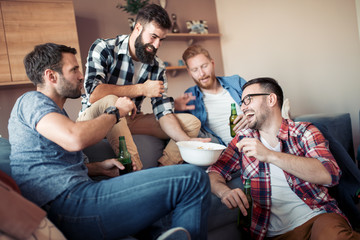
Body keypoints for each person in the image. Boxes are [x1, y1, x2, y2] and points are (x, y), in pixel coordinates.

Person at [8, 43, 211, 240]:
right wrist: (116, 112)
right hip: (70, 203)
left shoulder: (54, 113)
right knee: (193, 179)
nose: (81, 76)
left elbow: (48, 165)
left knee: (163, 214)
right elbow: (75, 138)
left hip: (72, 201)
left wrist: (96, 167)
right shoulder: (32, 101)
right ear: (51, 76)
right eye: (74, 70)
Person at [207, 77, 360, 239]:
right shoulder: (242, 140)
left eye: (248, 100)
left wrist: (270, 155)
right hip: (271, 234)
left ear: (271, 99)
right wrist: (223, 192)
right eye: (242, 102)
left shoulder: (304, 132)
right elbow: (214, 172)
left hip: (317, 218)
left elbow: (329, 175)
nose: (243, 107)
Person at [78, 4, 208, 167]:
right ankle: (136, 170)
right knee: (112, 101)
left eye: (161, 39)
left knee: (191, 122)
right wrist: (141, 89)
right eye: (153, 37)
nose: (157, 44)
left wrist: (186, 142)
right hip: (96, 116)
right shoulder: (104, 48)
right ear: (138, 28)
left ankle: (164, 170)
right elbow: (94, 93)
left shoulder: (157, 66)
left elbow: (164, 112)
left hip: (130, 118)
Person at [175, 45, 248, 146]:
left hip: (251, 141)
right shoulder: (190, 97)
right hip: (220, 150)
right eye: (195, 70)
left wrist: (250, 116)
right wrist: (175, 108)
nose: (202, 74)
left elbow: (260, 106)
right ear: (189, 72)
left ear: (212, 63)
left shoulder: (236, 82)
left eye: (204, 66)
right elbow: (180, 128)